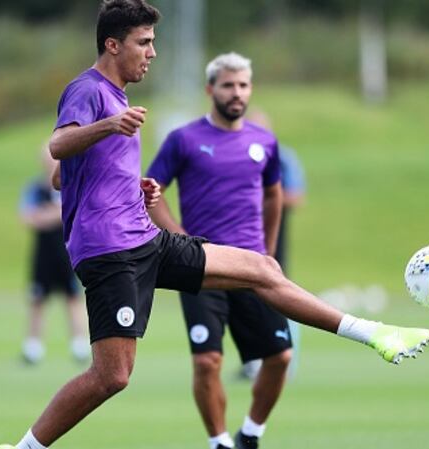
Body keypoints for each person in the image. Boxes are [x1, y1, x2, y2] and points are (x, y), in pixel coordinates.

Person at [0, 2, 429, 448]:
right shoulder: (89, 91)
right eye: (143, 42)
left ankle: (376, 333)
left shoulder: (119, 99)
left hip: (144, 239)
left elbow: (62, 176)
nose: (152, 52)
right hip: (111, 252)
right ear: (112, 44)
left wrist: (134, 189)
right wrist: (109, 126)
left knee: (263, 269)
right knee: (113, 376)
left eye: (153, 42)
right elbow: (58, 146)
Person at [145, 52, 293, 449]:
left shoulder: (265, 143)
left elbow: (273, 196)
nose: (236, 92)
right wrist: (180, 240)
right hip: (204, 268)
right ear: (211, 89)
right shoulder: (184, 140)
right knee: (207, 361)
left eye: (243, 85)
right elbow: (150, 193)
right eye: (228, 85)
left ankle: (251, 434)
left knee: (280, 358)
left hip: (250, 268)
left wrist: (269, 251)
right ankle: (219, 441)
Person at [239, 109, 307, 382]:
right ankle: (254, 360)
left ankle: (287, 358)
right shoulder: (234, 157)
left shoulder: (283, 158)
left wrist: (264, 198)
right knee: (244, 297)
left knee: (281, 292)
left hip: (273, 235)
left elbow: (296, 197)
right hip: (239, 236)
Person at [19, 146, 89, 364]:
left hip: (67, 251)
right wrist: (54, 213)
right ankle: (33, 347)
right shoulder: (34, 188)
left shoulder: (69, 184)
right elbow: (28, 217)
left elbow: (71, 212)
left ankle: (80, 345)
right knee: (37, 299)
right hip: (42, 253)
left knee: (72, 298)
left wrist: (48, 214)